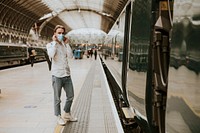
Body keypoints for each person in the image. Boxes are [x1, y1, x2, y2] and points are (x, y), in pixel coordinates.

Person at [46, 25, 77, 125]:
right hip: (57, 75)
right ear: (54, 34)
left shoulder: (65, 45)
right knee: (57, 98)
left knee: (71, 96)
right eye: (59, 33)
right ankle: (58, 116)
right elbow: (51, 55)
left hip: (67, 75)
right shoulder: (50, 45)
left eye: (62, 33)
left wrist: (67, 44)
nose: (61, 34)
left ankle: (67, 113)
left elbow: (71, 56)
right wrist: (55, 42)